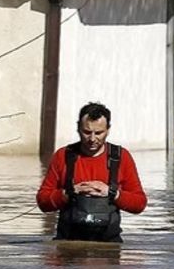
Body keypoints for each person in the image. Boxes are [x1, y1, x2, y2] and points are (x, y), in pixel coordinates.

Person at [37, 102, 147, 242]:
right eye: (87, 132)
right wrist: (68, 193)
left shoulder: (121, 157)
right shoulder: (63, 155)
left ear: (108, 130)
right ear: (78, 128)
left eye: (99, 133)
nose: (92, 139)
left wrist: (112, 193)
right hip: (68, 243)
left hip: (108, 245)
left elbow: (139, 204)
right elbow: (42, 202)